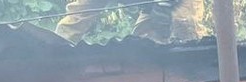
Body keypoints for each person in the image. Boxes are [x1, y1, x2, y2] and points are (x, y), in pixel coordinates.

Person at [55, 0, 202, 45]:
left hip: (180, 3)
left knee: (184, 32)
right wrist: (57, 45)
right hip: (151, 5)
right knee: (142, 44)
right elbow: (80, 12)